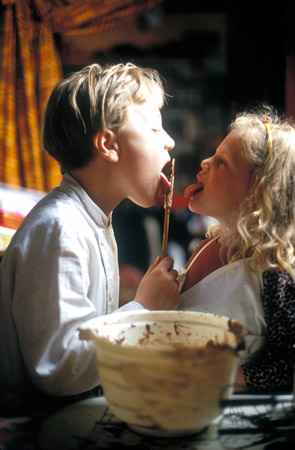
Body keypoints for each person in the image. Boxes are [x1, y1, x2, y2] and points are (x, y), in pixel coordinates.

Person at [0, 62, 180, 411]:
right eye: (155, 129)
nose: (169, 141)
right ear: (108, 145)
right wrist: (143, 309)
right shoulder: (61, 229)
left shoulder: (91, 219)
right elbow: (59, 366)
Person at [177, 105, 295, 392]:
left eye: (221, 162)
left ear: (258, 192)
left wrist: (216, 376)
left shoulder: (273, 269)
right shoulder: (208, 246)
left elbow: (287, 366)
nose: (205, 162)